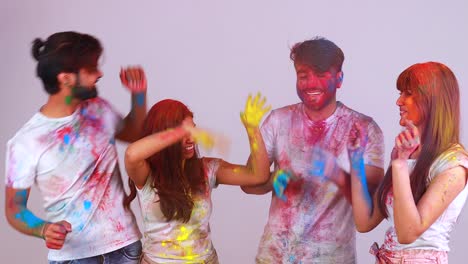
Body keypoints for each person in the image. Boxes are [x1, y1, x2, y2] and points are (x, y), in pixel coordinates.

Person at [5, 31, 147, 263]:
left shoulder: (99, 109)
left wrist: (138, 95)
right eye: (91, 69)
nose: (100, 73)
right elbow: (14, 209)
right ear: (66, 78)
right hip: (74, 256)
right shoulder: (26, 142)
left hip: (124, 246)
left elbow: (135, 133)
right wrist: (42, 229)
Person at [241, 37, 385, 263]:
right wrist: (274, 180)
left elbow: (371, 209)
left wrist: (336, 174)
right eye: (303, 75)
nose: (310, 84)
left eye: (320, 75)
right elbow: (248, 184)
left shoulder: (364, 129)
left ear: (339, 79)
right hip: (274, 256)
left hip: (333, 257)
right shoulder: (278, 120)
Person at [123, 94, 271, 263]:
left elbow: (258, 175)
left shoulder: (208, 168)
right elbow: (131, 154)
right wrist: (179, 132)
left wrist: (252, 128)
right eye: (184, 133)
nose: (192, 138)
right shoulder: (146, 174)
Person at [347, 62, 468, 263]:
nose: (399, 101)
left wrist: (400, 164)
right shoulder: (407, 154)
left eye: (408, 93)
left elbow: (408, 233)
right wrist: (356, 161)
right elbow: (364, 222)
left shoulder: (454, 165)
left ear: (433, 100)